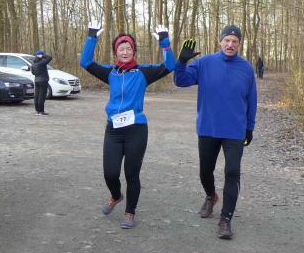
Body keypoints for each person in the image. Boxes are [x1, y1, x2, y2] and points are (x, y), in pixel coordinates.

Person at [80, 23, 176, 229]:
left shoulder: (143, 72)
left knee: (132, 174)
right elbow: (85, 62)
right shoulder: (110, 72)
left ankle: (130, 212)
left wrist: (164, 42)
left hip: (136, 130)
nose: (125, 52)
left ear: (134, 51)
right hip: (113, 129)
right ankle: (116, 196)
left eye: (128, 48)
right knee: (110, 173)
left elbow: (170, 66)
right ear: (116, 52)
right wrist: (91, 38)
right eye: (121, 49)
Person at [173, 24, 257, 239]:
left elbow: (252, 100)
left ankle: (225, 220)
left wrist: (249, 127)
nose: (230, 44)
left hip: (235, 130)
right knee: (205, 171)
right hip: (208, 127)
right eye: (227, 40)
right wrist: (181, 62)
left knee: (232, 172)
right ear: (220, 41)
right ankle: (211, 196)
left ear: (239, 44)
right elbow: (180, 81)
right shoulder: (204, 63)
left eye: (234, 41)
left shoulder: (246, 68)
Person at [31, 49, 52, 115]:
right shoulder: (42, 62)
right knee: (41, 97)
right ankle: (41, 111)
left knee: (36, 96)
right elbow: (50, 57)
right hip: (43, 81)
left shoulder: (33, 64)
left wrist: (39, 56)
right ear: (41, 55)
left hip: (36, 80)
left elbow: (33, 73)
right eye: (42, 54)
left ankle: (37, 111)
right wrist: (43, 55)